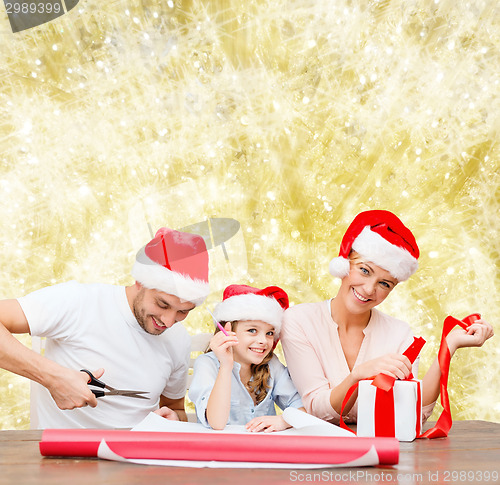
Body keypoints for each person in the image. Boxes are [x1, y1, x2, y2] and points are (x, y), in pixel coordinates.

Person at [280, 210, 494, 424]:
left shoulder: (399, 334)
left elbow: (413, 413)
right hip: (319, 451)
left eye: (384, 284)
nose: (369, 289)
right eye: (364, 270)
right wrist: (358, 375)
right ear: (345, 264)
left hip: (385, 452)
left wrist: (449, 346)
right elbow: (318, 410)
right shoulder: (298, 321)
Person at [0, 227, 210, 428]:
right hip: (66, 458)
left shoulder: (178, 339)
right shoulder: (78, 301)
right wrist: (53, 377)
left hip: (138, 458)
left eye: (183, 311)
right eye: (162, 304)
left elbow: (174, 408)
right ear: (140, 281)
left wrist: (174, 418)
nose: (169, 321)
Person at [189, 284, 305, 432]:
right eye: (252, 330)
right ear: (227, 330)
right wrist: (226, 366)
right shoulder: (207, 364)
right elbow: (217, 423)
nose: (263, 340)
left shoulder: (271, 365)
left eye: (269, 333)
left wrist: (284, 420)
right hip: (220, 451)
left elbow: (302, 408)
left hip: (262, 451)